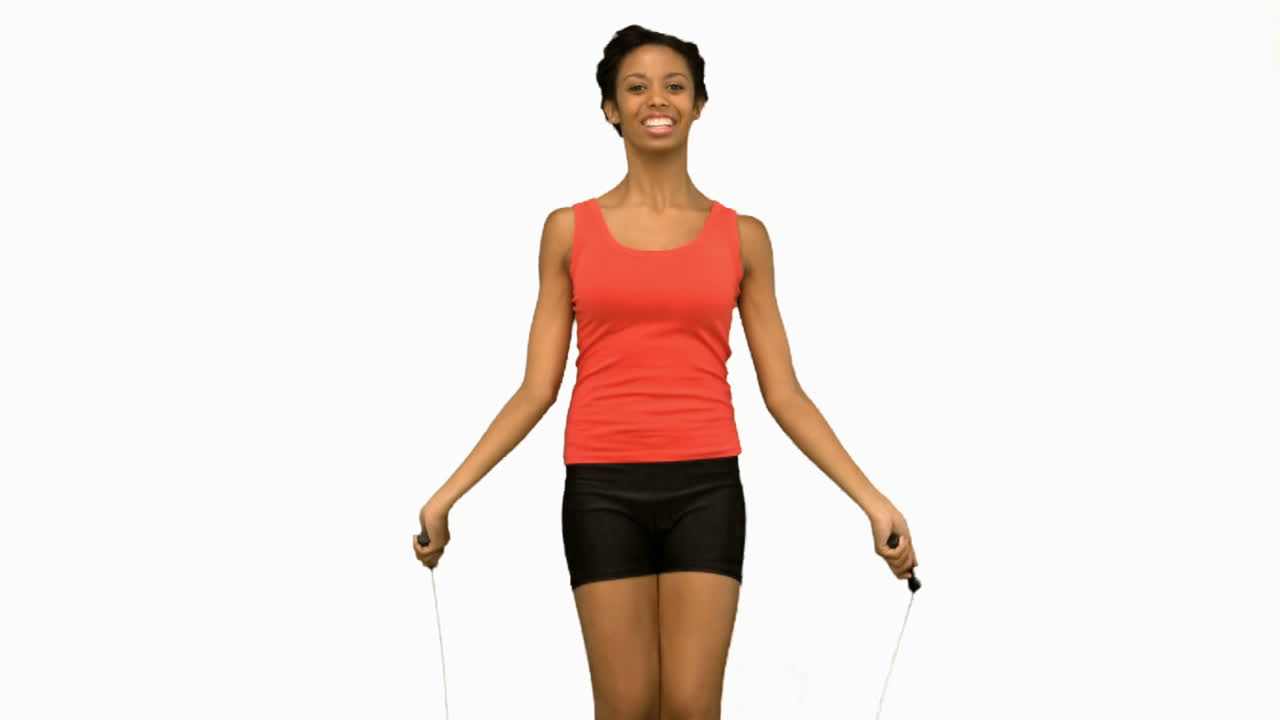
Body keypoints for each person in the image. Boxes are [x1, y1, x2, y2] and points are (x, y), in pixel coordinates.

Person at [413, 23, 919, 719]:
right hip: (602, 491)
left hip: (706, 488)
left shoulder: (743, 237)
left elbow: (784, 393)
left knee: (688, 706)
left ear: (700, 105)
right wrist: (447, 496)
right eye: (637, 86)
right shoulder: (568, 230)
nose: (659, 98)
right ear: (610, 109)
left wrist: (874, 501)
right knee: (625, 707)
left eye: (675, 85)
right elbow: (537, 387)